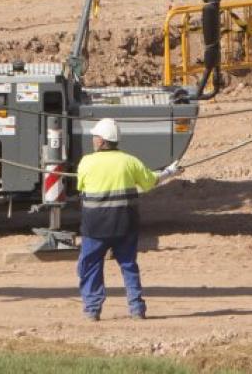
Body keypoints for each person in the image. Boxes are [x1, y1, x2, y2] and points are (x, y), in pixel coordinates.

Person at [74, 117, 179, 321]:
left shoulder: (87, 162)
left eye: (95, 137)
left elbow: (81, 187)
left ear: (103, 141)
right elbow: (150, 182)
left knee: (90, 265)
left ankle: (92, 309)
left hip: (95, 227)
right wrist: (169, 172)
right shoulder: (130, 161)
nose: (93, 140)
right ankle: (136, 308)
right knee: (128, 265)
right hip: (125, 225)